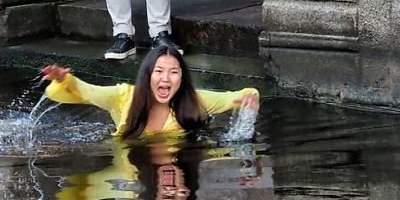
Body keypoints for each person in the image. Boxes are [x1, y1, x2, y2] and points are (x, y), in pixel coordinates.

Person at [41, 45, 259, 140]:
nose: (166, 79)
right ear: (147, 75)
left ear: (182, 78)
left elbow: (247, 94)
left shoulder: (194, 100)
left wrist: (250, 105)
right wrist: (63, 78)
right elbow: (88, 91)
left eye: (174, 72)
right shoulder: (122, 97)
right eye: (159, 71)